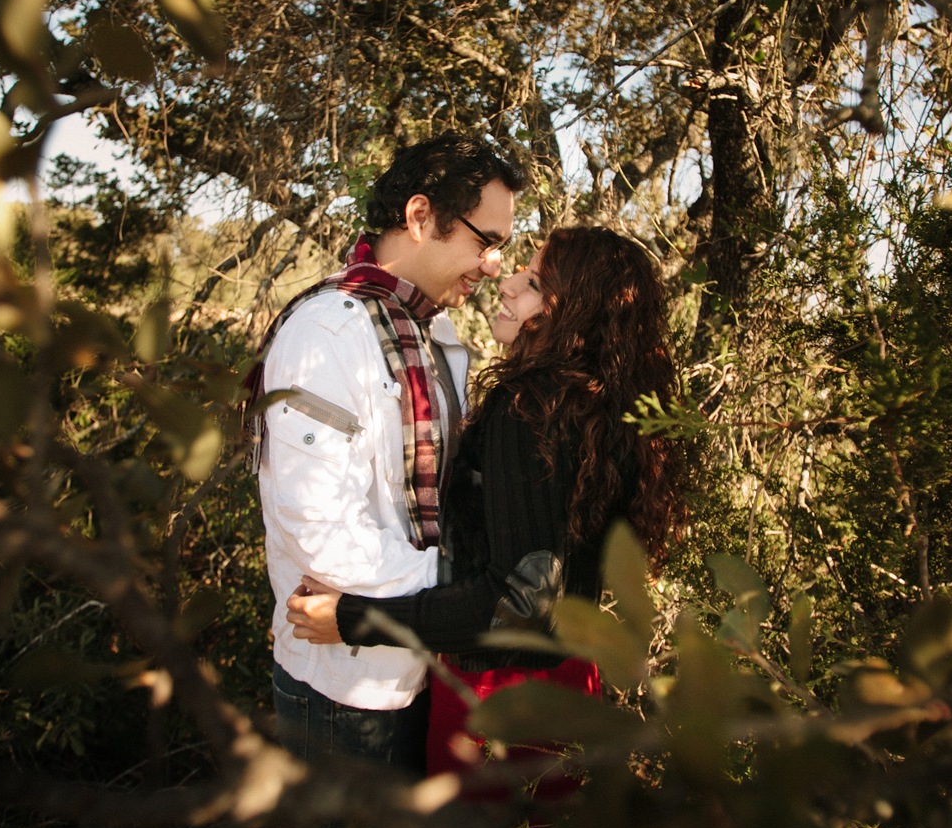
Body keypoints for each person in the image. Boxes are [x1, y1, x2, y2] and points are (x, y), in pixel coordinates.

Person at [282, 226, 681, 791]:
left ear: (564, 312)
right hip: (572, 677)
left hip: (501, 697)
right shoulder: (595, 405)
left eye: (533, 281)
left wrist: (352, 619)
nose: (507, 282)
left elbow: (516, 603)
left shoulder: (532, 411)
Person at [245, 133, 525, 778]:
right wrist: (467, 590)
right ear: (421, 218)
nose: (492, 267)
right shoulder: (326, 332)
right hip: (350, 687)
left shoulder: (435, 332)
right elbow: (318, 531)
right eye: (486, 241)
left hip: (425, 657)